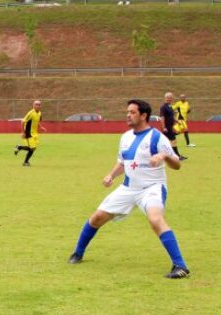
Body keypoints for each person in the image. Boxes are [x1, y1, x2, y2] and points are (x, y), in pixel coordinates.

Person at [67, 99, 189, 279]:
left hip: (152, 188)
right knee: (97, 218)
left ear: (143, 115)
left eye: (132, 112)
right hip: (128, 188)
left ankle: (180, 266)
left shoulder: (157, 137)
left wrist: (163, 155)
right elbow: (124, 163)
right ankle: (77, 253)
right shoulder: (125, 137)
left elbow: (177, 165)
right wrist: (111, 175)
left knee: (156, 220)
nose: (128, 115)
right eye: (127, 112)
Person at [14, 100, 47, 166]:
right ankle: (25, 162)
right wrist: (23, 133)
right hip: (28, 133)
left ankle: (19, 147)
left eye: (39, 104)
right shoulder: (30, 113)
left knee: (33, 148)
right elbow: (22, 122)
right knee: (32, 148)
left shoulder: (39, 113)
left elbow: (37, 121)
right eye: (36, 104)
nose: (38, 106)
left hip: (35, 133)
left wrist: (41, 127)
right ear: (33, 105)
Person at [160, 92, 186, 160]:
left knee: (168, 142)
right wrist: (164, 127)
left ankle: (175, 156)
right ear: (165, 98)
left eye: (170, 98)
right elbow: (162, 117)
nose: (168, 99)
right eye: (167, 98)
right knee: (172, 141)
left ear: (172, 99)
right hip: (167, 127)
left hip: (170, 127)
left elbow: (171, 117)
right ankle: (177, 156)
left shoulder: (170, 107)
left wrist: (177, 121)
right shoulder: (163, 107)